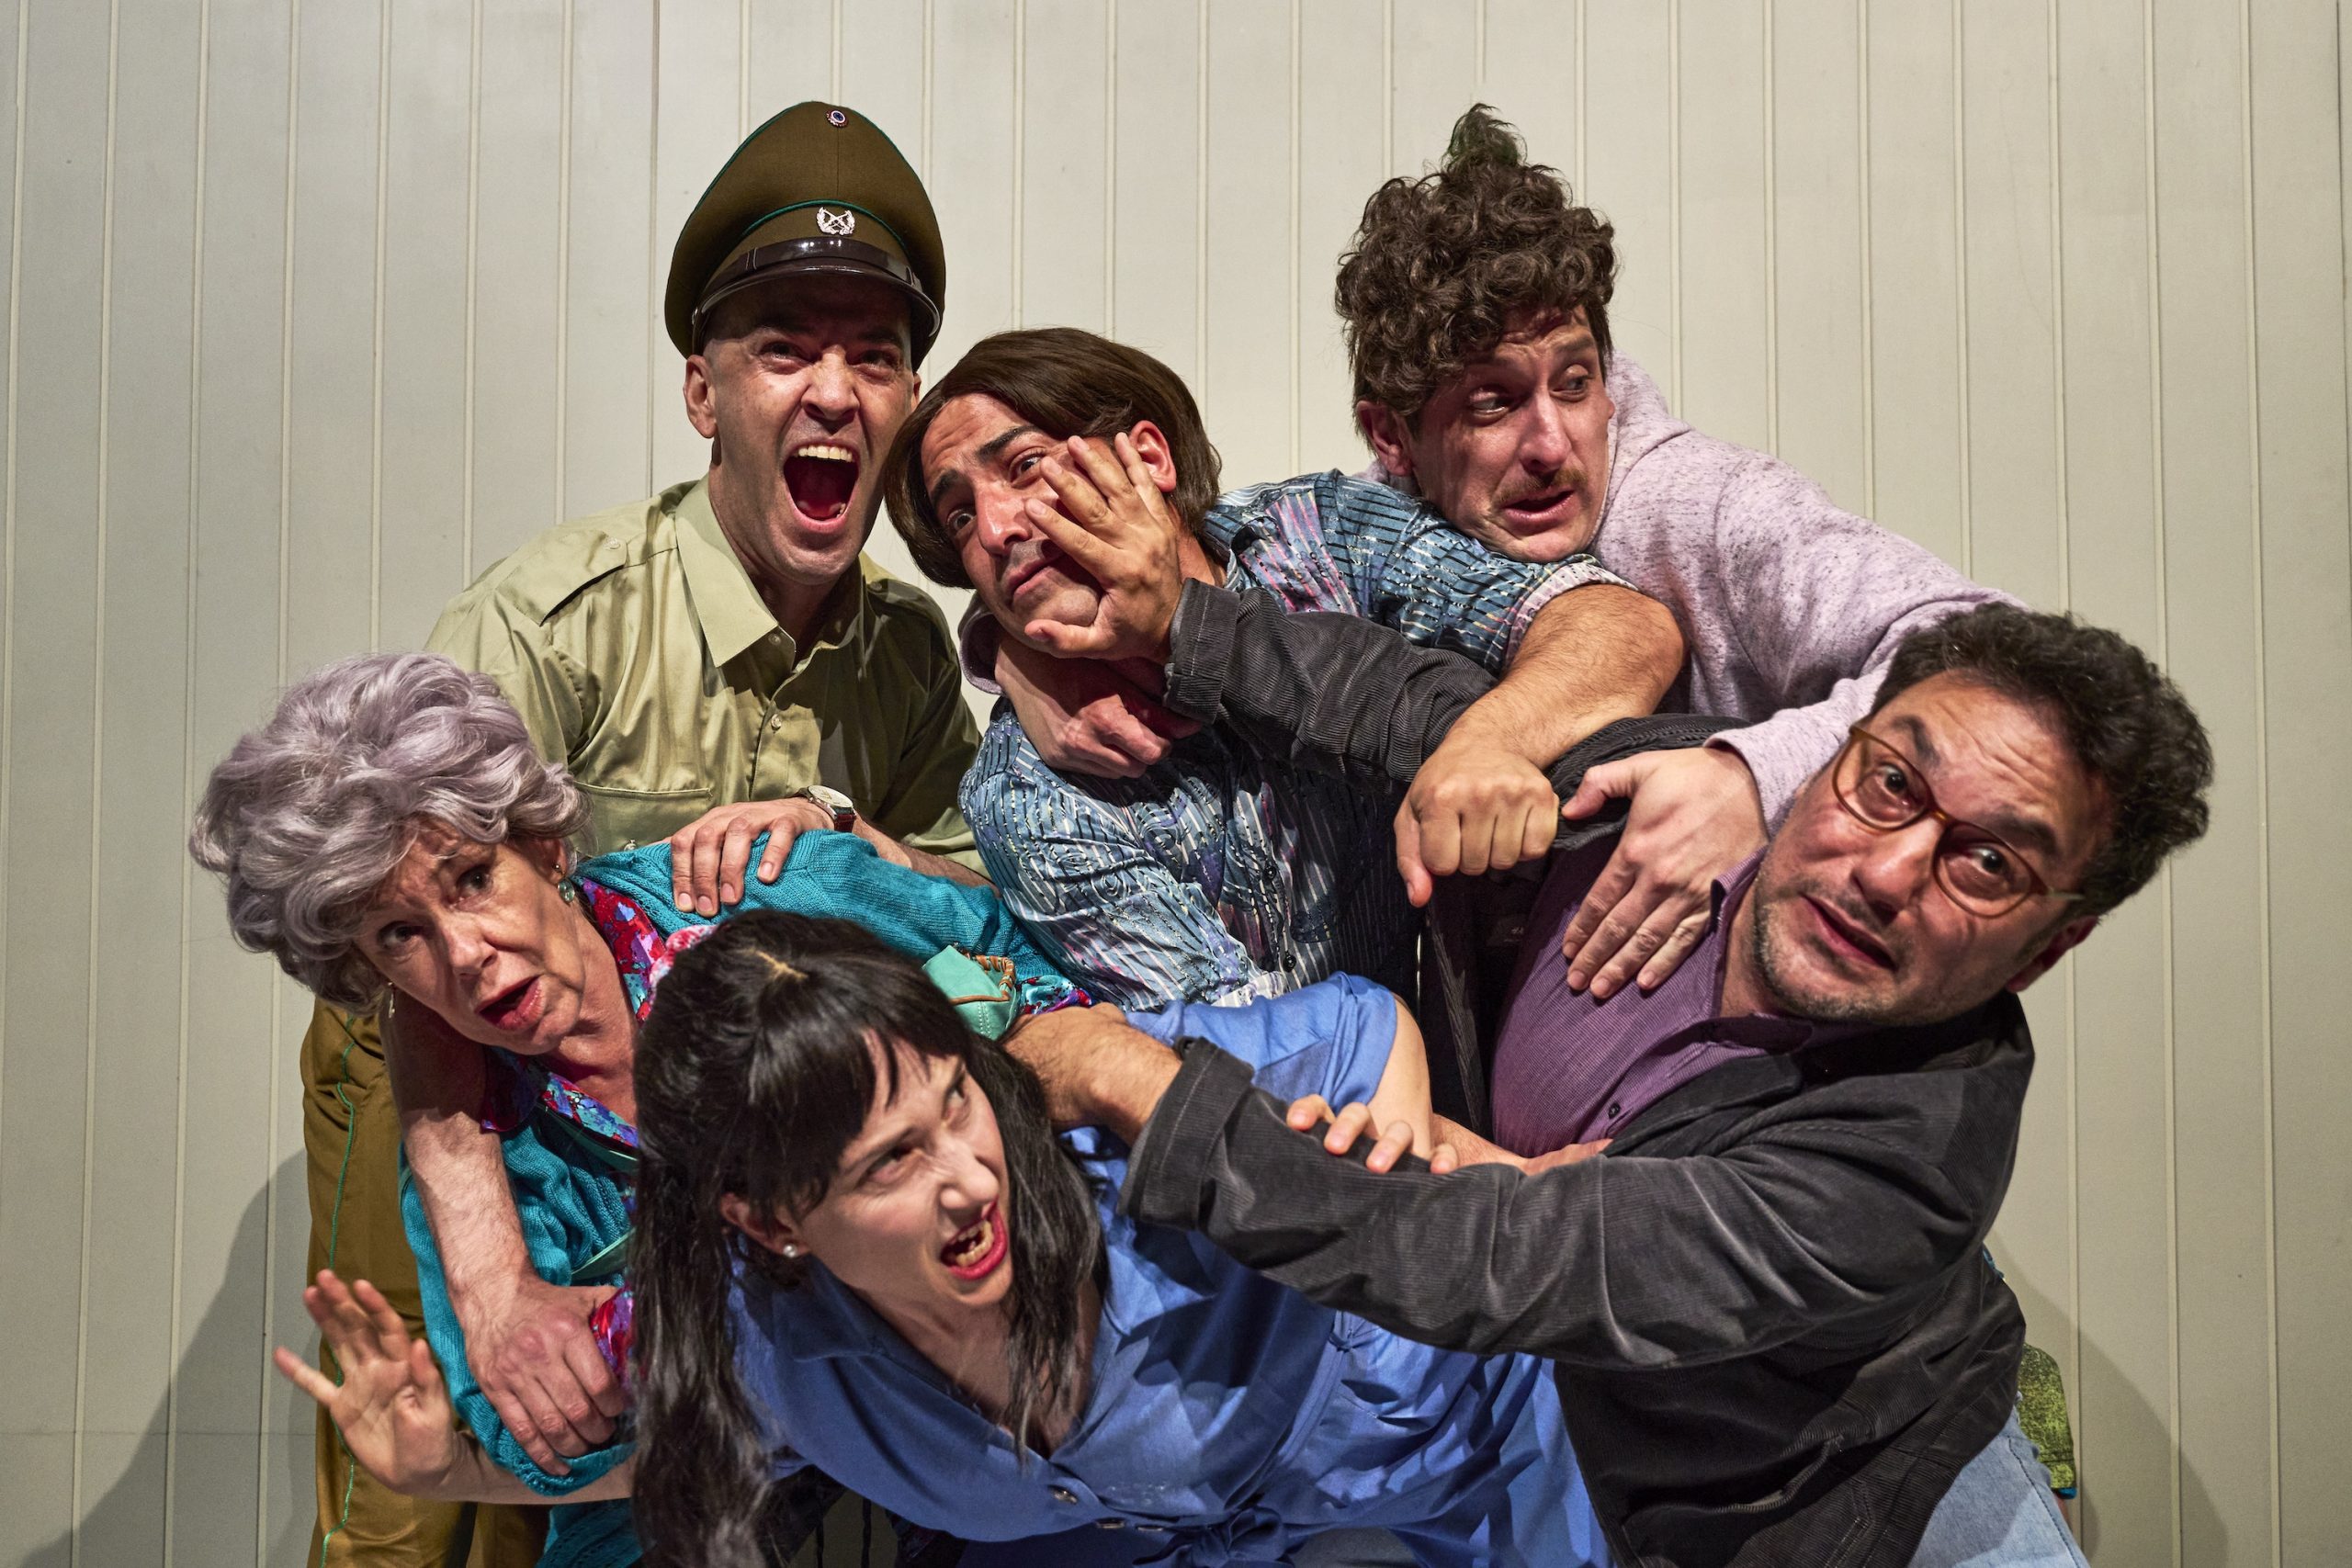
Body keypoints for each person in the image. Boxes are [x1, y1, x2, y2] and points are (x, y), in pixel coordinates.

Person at [1014, 605, 2212, 1567]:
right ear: (1828, 753)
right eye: (1891, 783)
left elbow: (1509, 1256)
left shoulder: (1903, 1164)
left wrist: (1146, 1086)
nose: (1890, 870)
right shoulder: (1653, 803)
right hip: (1551, 1403)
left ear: (2049, 947)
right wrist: (1166, 622)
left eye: (1989, 861)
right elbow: (1411, 704)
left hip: (1812, 1490)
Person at [286, 101, 982, 1563]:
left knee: (626, 1467)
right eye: (784, 349)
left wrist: (843, 826)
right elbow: (422, 923)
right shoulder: (556, 624)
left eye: (874, 355)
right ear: (701, 390)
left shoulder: (910, 652)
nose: (835, 391)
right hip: (437, 1051)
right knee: (419, 1473)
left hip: (658, 1103)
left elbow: (966, 893)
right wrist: (488, 1271)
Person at [996, 104, 2014, 1010]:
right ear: (1393, 439)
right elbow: (1228, 549)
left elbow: (1989, 657)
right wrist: (1016, 651)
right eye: (1492, 403)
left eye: (1574, 383)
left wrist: (1751, 777)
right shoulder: (1381, 521)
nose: (1552, 445)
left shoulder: (1706, 508)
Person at [282, 912, 1620, 1568]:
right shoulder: (773, 1337)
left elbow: (1357, 1025)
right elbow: (670, 1454)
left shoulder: (1096, 1132)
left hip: (1467, 1447)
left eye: (955, 1104)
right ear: (770, 1222)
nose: (971, 1178)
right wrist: (446, 1467)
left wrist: (1388, 1211)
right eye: (890, 1165)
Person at [195, 652, 1078, 1566]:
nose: (463, 953)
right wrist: (504, 1398)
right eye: (398, 934)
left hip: (996, 1346)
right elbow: (531, 1447)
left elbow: (1034, 971)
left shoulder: (752, 886)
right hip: (728, 1446)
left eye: (472, 878)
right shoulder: (478, 1156)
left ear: (543, 846)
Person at [881, 326, 1685, 1010]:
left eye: (1025, 466)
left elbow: (1625, 633)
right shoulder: (1025, 792)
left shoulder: (1316, 535)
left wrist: (1487, 743)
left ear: (1148, 457)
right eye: (960, 515)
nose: (994, 528)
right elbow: (1258, 1056)